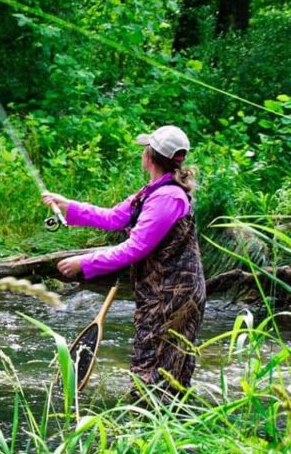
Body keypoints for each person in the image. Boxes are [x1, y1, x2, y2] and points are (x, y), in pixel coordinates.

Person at [42, 125, 206, 399]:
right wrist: (68, 207)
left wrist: (85, 262)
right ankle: (161, 424)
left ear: (149, 156)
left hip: (174, 295)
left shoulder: (168, 198)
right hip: (162, 291)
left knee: (157, 366)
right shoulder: (154, 191)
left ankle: (152, 424)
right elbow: (113, 217)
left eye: (145, 148)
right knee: (159, 363)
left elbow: (135, 248)